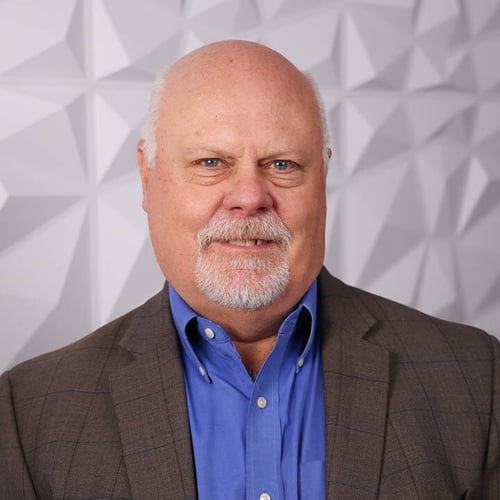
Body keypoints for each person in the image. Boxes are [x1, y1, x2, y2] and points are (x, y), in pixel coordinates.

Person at [0, 40, 498, 500]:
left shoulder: (476, 379)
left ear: (322, 179)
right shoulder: (28, 413)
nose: (249, 197)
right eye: (211, 162)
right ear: (148, 178)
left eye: (282, 165)